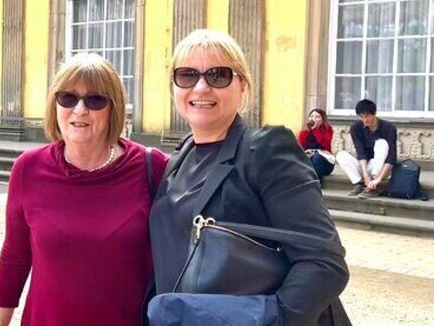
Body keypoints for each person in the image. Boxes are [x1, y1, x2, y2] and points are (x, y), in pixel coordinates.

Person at [148, 29, 349, 325]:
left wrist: (274, 318)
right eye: (187, 75)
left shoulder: (265, 150)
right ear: (173, 88)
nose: (201, 87)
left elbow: (324, 262)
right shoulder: (179, 158)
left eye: (218, 75)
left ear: (243, 86)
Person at [0, 53, 168, 325]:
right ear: (55, 105)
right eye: (68, 98)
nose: (80, 110)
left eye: (95, 100)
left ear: (114, 108)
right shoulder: (28, 168)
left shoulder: (152, 167)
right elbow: (15, 256)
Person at [336, 99, 397, 199]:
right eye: (361, 116)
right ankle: (360, 183)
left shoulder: (389, 128)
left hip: (382, 169)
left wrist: (378, 179)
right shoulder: (356, 128)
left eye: (367, 116)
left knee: (381, 143)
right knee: (341, 155)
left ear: (374, 113)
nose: (365, 120)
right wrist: (365, 175)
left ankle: (373, 186)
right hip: (365, 166)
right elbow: (360, 152)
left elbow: (391, 157)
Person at [297, 108, 336, 182]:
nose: (313, 119)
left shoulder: (328, 130)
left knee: (316, 156)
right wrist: (307, 130)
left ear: (322, 120)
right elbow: (301, 148)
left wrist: (315, 129)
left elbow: (325, 144)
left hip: (325, 162)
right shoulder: (304, 131)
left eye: (317, 117)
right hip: (309, 160)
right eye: (311, 116)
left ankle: (316, 183)